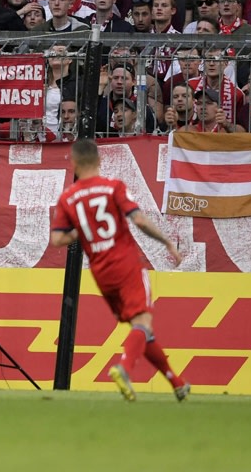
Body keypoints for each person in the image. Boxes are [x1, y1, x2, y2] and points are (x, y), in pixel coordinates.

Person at [50, 139, 189, 402]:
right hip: (126, 265)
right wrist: (167, 242)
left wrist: (83, 228)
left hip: (101, 272)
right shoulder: (113, 187)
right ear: (99, 161)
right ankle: (124, 369)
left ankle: (177, 383)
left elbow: (57, 240)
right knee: (143, 324)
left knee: (141, 330)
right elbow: (138, 219)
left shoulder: (68, 197)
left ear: (75, 163)